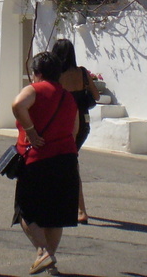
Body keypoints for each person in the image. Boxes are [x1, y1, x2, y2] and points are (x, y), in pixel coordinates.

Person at [11, 51, 80, 275]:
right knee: (55, 216)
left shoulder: (35, 89)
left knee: (25, 211)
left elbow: (18, 105)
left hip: (38, 159)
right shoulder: (68, 97)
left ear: (37, 72)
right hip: (67, 159)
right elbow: (74, 129)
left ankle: (43, 251)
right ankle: (50, 261)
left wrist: (31, 131)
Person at [51, 38, 100, 224]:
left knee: (66, 164)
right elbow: (96, 95)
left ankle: (80, 209)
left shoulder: (57, 76)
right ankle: (75, 207)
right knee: (70, 161)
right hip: (83, 122)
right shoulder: (82, 72)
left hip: (65, 122)